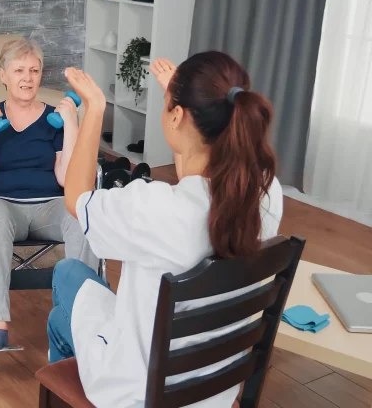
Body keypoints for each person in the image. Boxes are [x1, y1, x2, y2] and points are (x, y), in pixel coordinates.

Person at [46, 52, 283, 407]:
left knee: (66, 278)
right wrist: (181, 105)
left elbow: (77, 199)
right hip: (216, 389)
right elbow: (195, 173)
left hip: (142, 391)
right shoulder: (267, 191)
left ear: (177, 116)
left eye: (169, 106)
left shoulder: (155, 208)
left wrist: (94, 108)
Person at [0, 38, 100, 355]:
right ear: (3, 75)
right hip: (0, 204)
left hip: (50, 207)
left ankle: (84, 319)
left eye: (34, 70)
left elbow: (67, 180)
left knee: (83, 214)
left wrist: (71, 127)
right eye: (19, 70)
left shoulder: (56, 118)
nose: (27, 78)